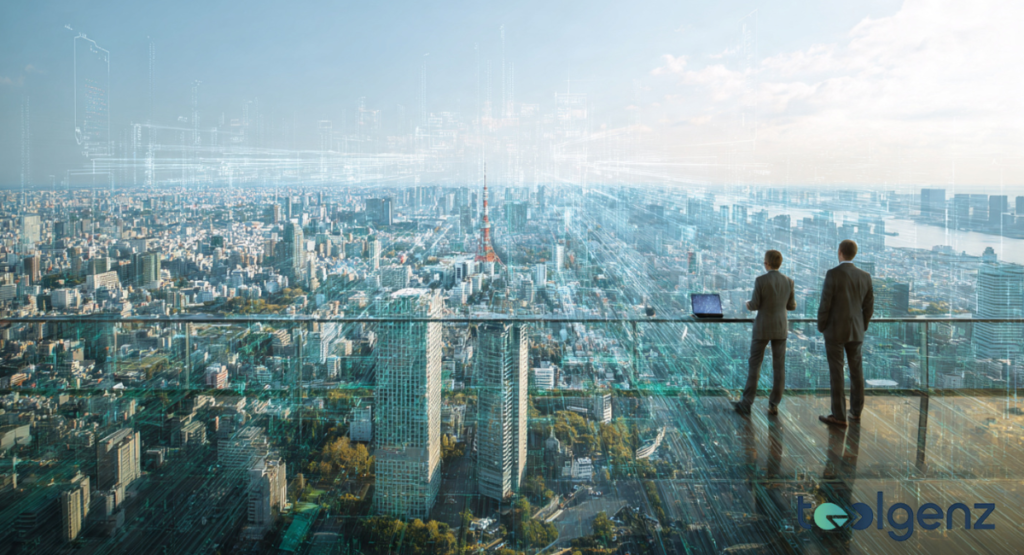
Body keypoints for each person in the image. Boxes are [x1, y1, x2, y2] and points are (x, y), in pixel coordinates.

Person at [817, 239, 874, 427]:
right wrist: (862, 326)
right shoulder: (865, 276)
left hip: (835, 330)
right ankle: (856, 412)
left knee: (837, 373)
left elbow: (825, 304)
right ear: (854, 254)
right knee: (856, 371)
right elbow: (869, 307)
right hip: (856, 330)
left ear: (840, 252)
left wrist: (821, 326)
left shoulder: (833, 274)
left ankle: (839, 415)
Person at [733, 250, 795, 416]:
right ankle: (774, 404)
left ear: (766, 263)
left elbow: (754, 305)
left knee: (755, 365)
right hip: (780, 328)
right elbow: (792, 306)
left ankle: (747, 403)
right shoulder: (789, 281)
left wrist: (747, 303)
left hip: (762, 328)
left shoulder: (761, 280)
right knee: (779, 367)